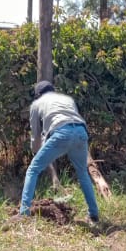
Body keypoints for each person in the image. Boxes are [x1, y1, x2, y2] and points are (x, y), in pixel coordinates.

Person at [18, 81, 100, 224]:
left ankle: (24, 214)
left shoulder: (36, 105)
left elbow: (35, 135)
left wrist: (35, 152)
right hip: (81, 132)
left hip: (61, 133)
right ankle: (94, 215)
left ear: (38, 95)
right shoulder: (67, 99)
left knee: (33, 169)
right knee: (82, 173)